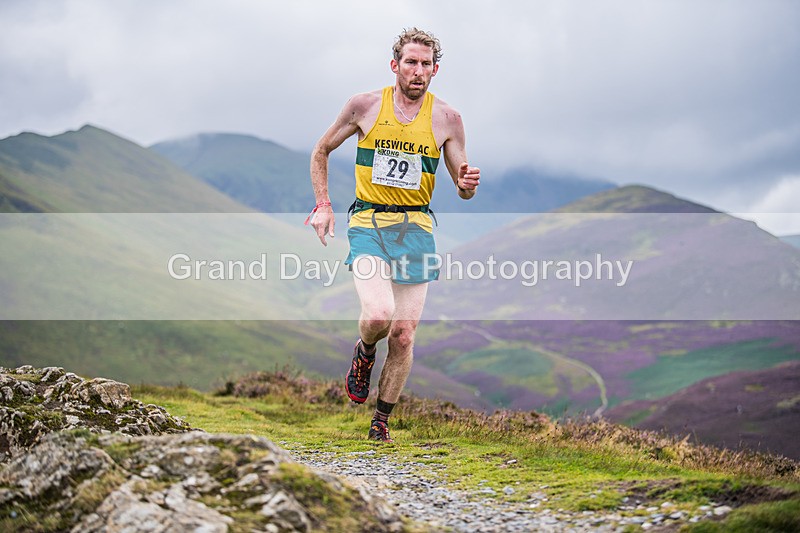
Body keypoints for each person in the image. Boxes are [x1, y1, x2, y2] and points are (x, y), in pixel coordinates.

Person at [308, 28, 480, 442]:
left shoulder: (448, 119)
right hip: (368, 221)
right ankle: (364, 352)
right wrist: (324, 204)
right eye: (410, 62)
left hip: (417, 227)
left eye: (425, 65)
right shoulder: (364, 106)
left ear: (435, 70)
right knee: (379, 316)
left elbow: (461, 182)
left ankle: (380, 423)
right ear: (395, 65)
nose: (417, 71)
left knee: (403, 334)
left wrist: (467, 184)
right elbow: (321, 150)